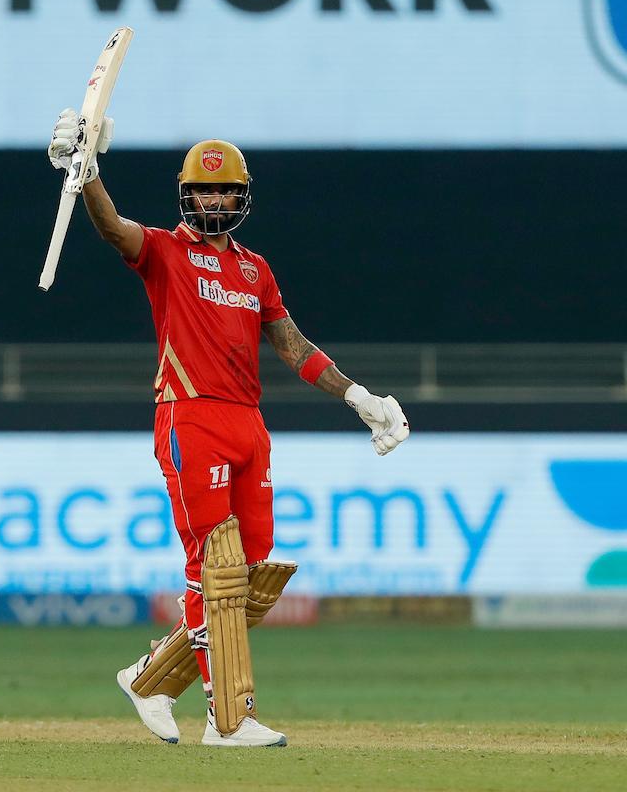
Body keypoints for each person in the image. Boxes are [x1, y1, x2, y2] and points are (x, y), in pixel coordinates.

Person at [46, 109, 410, 748]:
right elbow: (110, 229)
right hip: (190, 415)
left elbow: (293, 348)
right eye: (204, 190)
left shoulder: (255, 270)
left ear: (242, 199)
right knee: (209, 564)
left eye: (226, 191)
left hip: (248, 422)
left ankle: (153, 678)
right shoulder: (163, 251)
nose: (215, 199)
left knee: (252, 569)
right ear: (186, 196)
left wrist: (360, 398)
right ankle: (227, 720)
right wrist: (88, 175)